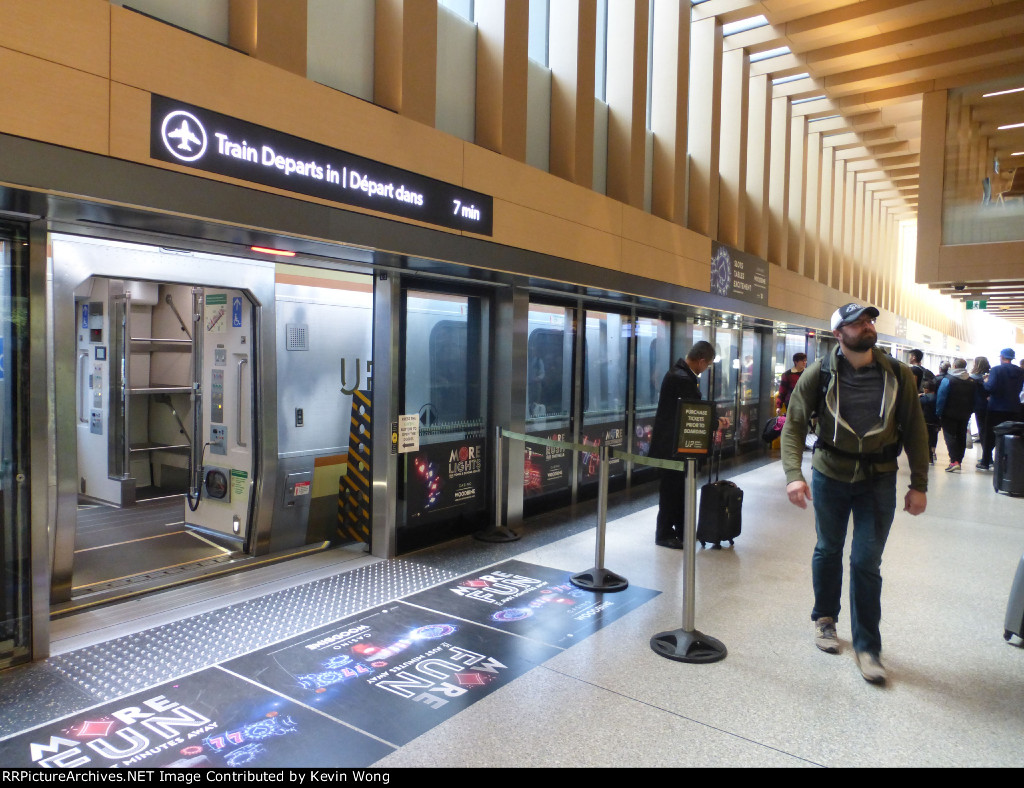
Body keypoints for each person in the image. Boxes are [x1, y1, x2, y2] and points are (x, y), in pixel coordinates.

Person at [780, 302, 928, 686]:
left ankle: (868, 646)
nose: (867, 325)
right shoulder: (819, 374)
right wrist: (793, 474)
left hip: (878, 478)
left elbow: (915, 429)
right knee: (828, 548)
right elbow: (794, 425)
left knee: (866, 560)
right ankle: (825, 618)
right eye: (857, 322)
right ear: (838, 334)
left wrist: (920, 484)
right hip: (831, 473)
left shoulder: (897, 374)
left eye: (869, 320)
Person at [650, 341, 729, 549]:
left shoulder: (680, 374)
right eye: (708, 364)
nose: (707, 368)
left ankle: (680, 530)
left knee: (678, 489)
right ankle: (665, 533)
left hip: (674, 445)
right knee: (671, 490)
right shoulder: (683, 378)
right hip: (674, 447)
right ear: (701, 360)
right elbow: (693, 412)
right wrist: (717, 423)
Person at [979, 348, 1024, 470]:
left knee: (990, 435)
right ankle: (1008, 463)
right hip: (1014, 408)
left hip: (996, 408)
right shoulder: (1020, 371)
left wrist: (984, 382)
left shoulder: (996, 370)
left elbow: (990, 387)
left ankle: (985, 461)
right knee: (1010, 435)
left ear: (1002, 357)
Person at [936, 358, 974, 472]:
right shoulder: (971, 381)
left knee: (950, 436)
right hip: (965, 414)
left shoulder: (948, 380)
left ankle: (954, 461)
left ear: (955, 366)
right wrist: (971, 411)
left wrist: (938, 412)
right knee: (961, 436)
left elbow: (941, 397)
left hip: (949, 414)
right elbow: (974, 399)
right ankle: (959, 461)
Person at [969, 356, 991, 448]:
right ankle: (988, 454)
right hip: (991, 406)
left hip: (979, 406)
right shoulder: (990, 376)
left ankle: (986, 456)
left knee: (982, 429)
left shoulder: (973, 378)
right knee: (988, 430)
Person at [919, 378, 940, 465]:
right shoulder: (938, 397)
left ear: (926, 389)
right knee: (934, 437)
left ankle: (928, 456)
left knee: (925, 439)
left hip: (926, 421)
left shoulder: (924, 398)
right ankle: (933, 452)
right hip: (935, 422)